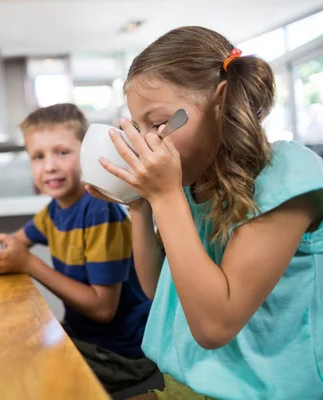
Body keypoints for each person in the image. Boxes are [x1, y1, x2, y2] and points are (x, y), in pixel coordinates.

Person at [86, 26, 323, 399]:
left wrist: (165, 198)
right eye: (140, 127)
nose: (149, 141)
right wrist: (139, 207)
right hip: (181, 386)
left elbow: (214, 326)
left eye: (159, 123)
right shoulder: (188, 184)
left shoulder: (286, 177)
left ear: (221, 101)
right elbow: (158, 289)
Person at [0, 103, 156, 393]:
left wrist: (29, 264)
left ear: (85, 154)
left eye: (62, 152)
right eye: (37, 157)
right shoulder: (54, 210)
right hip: (84, 338)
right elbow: (16, 243)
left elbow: (103, 309)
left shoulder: (98, 210)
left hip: (121, 355)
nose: (50, 166)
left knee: (14, 377)